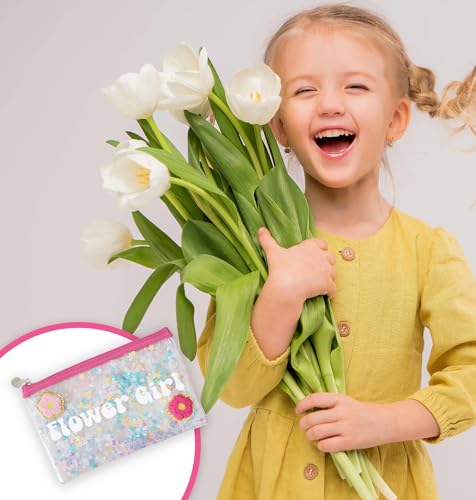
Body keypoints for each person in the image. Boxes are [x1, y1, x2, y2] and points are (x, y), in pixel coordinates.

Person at [197, 3, 476, 499]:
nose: (329, 105)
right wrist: (281, 293)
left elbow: (470, 373)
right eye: (305, 90)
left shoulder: (427, 250)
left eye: (356, 87)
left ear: (396, 119)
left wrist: (383, 422)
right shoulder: (253, 247)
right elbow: (233, 387)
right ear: (278, 127)